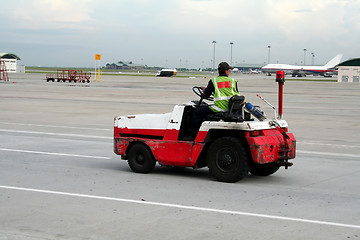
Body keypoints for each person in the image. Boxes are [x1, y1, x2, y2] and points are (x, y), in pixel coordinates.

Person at [184, 62, 239, 140]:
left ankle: (192, 136)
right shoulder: (233, 81)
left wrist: (205, 90)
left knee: (196, 112)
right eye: (229, 70)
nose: (229, 72)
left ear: (218, 71)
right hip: (231, 107)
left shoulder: (214, 81)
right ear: (226, 71)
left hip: (220, 107)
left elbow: (206, 95)